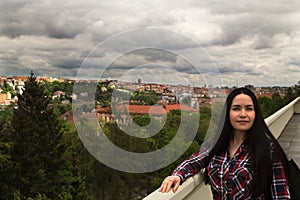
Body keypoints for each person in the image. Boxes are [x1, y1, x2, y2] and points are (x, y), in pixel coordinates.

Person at [159, 87, 291, 199]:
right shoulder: (217, 143)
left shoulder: (269, 150)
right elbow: (196, 160)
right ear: (228, 113)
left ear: (256, 113)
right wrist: (177, 176)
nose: (243, 114)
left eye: (249, 109)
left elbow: (280, 195)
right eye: (236, 108)